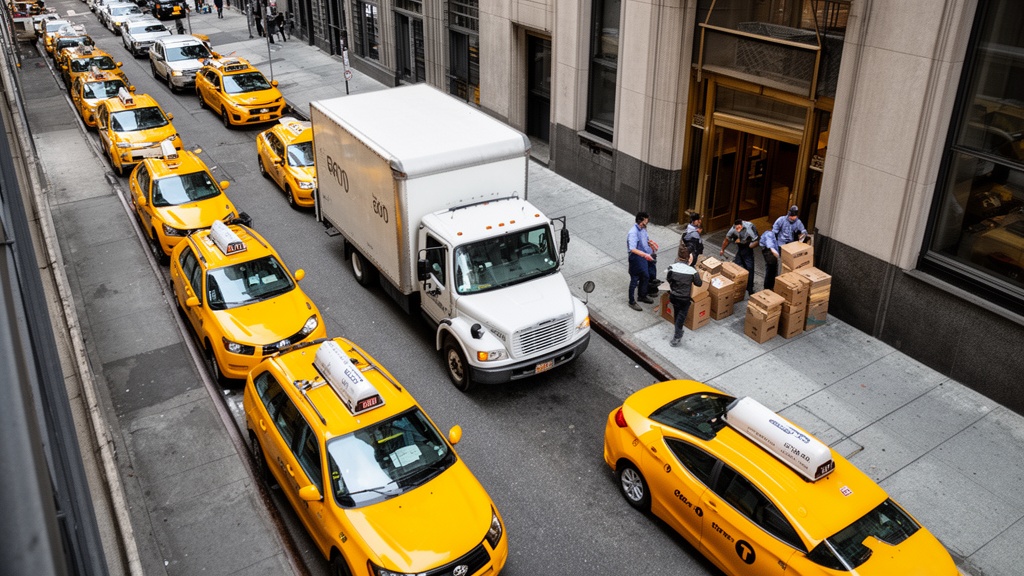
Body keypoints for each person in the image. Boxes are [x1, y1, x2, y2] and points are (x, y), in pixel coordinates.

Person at [666, 255, 703, 347]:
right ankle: (677, 335)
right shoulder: (692, 271)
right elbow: (699, 283)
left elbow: (668, 279)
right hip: (684, 298)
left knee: (677, 313)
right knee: (681, 316)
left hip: (674, 296)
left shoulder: (671, 268)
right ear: (689, 261)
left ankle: (678, 330)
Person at [720, 219, 758, 295]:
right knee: (736, 266)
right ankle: (736, 285)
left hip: (748, 247)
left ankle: (749, 289)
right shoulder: (733, 229)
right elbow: (727, 240)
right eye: (736, 228)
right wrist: (722, 249)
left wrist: (746, 244)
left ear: (742, 226)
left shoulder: (749, 227)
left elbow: (756, 241)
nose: (738, 230)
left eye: (739, 228)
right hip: (740, 247)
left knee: (749, 268)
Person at [627, 211, 656, 311]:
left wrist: (650, 244)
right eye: (645, 222)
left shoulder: (643, 230)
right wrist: (644, 255)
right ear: (640, 221)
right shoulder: (633, 233)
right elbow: (632, 248)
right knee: (634, 279)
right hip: (636, 258)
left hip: (644, 256)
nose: (646, 224)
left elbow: (645, 240)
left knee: (646, 276)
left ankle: (642, 295)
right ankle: (631, 301)